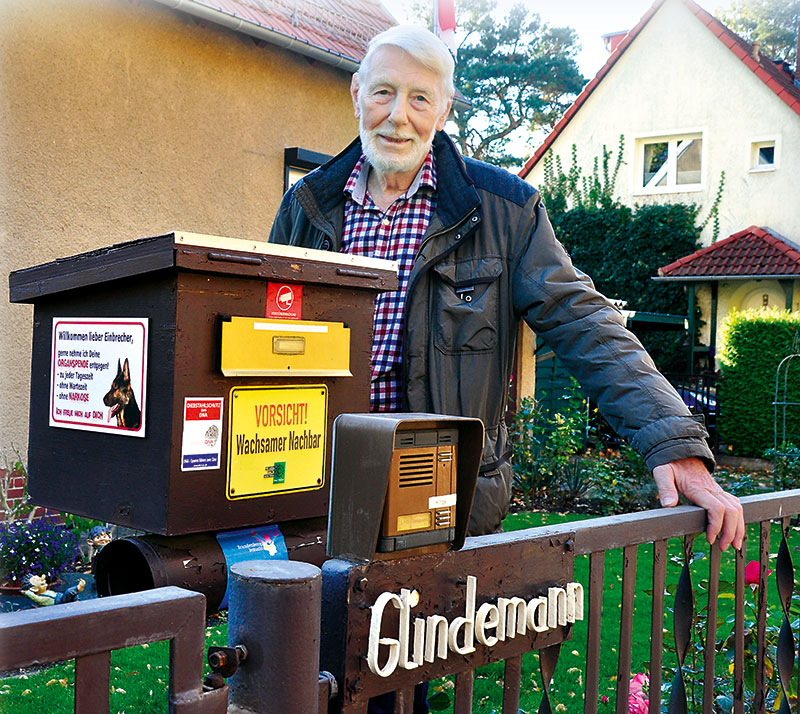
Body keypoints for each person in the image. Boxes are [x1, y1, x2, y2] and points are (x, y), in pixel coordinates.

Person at [269, 25, 744, 552]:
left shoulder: (506, 208)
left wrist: (671, 441)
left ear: (444, 110)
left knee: (425, 635)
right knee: (315, 632)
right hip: (319, 492)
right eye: (384, 92)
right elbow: (264, 335)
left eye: (420, 98)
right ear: (357, 93)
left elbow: (582, 320)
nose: (398, 115)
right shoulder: (306, 205)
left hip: (442, 500)